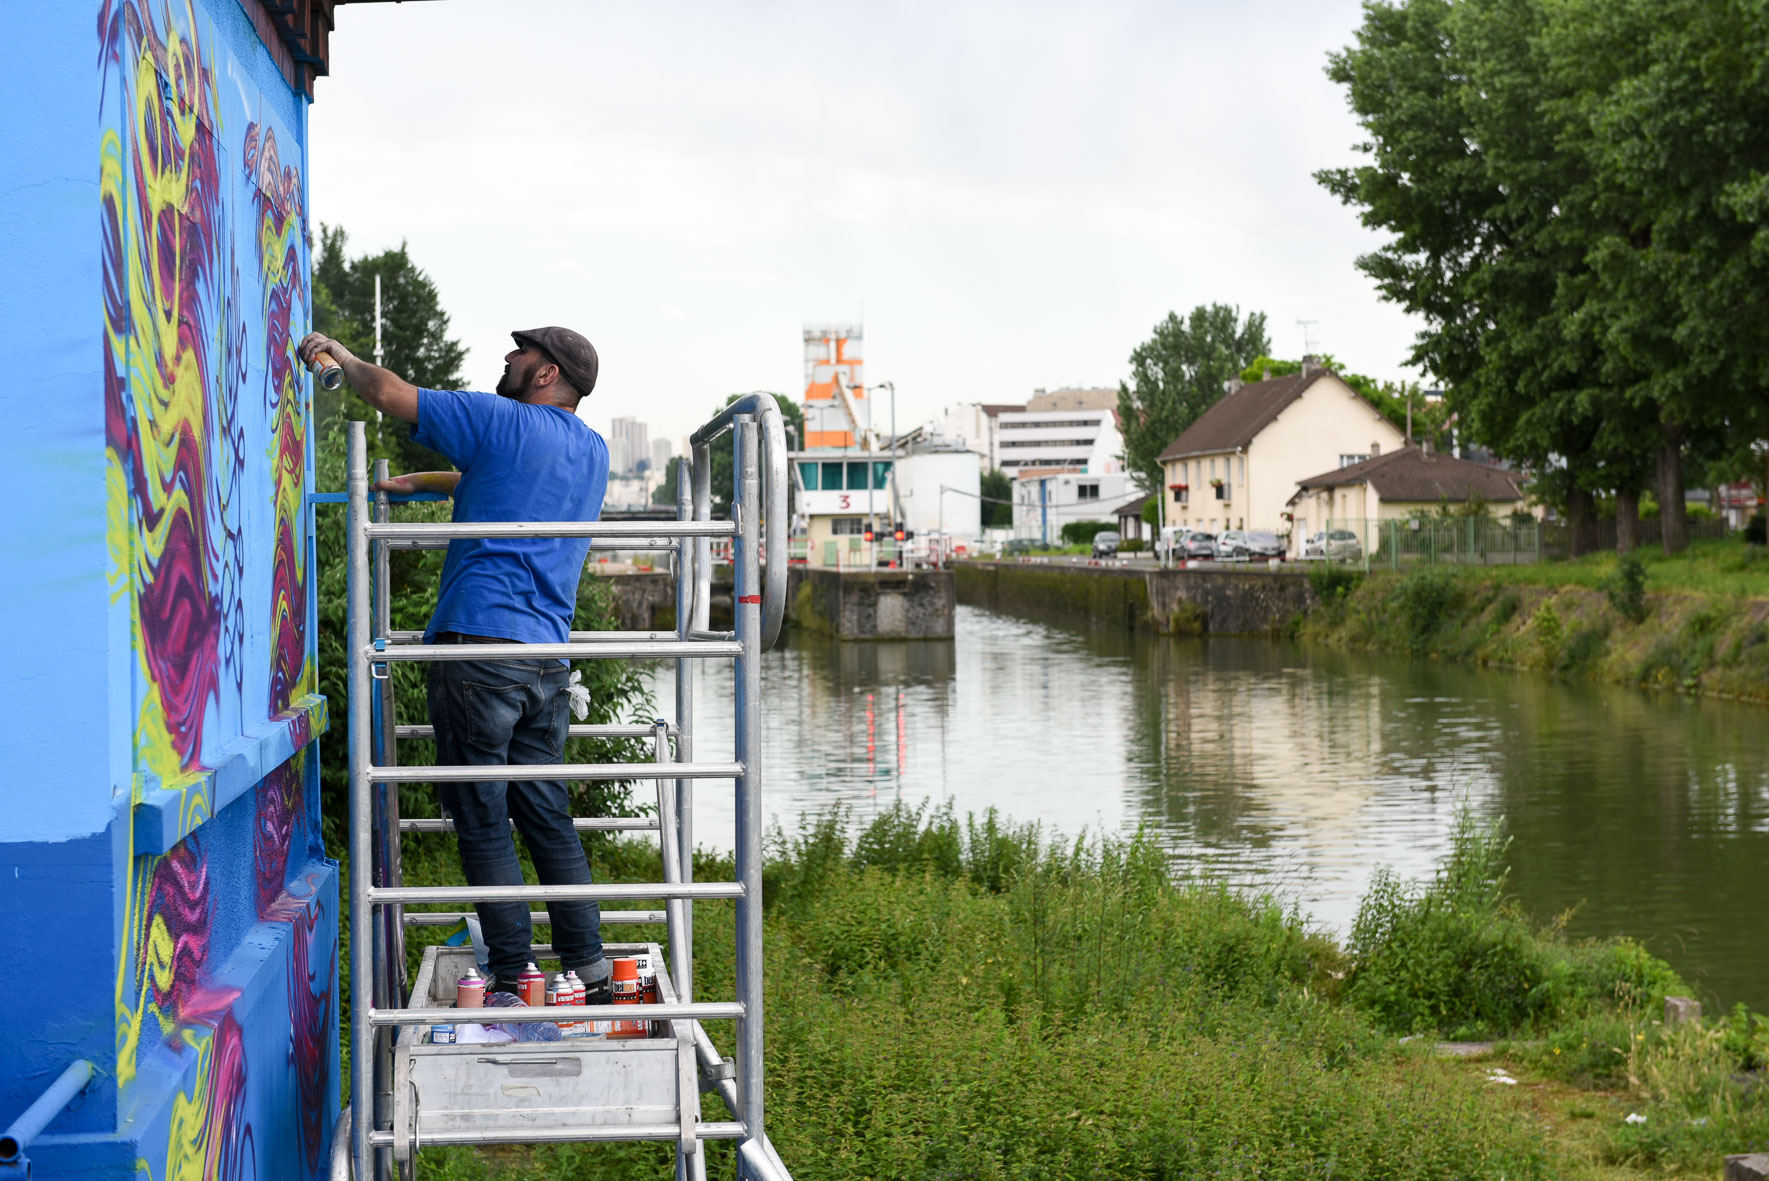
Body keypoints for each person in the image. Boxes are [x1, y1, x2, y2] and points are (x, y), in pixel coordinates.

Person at [298, 326, 612, 1002]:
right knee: (543, 811)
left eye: (520, 352)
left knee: (479, 812)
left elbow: (388, 393)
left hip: (478, 645)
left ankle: (509, 973)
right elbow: (498, 481)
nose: (507, 357)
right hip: (546, 659)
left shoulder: (500, 418)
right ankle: (589, 967)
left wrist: (342, 356)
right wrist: (428, 481)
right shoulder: (590, 450)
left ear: (545, 373)